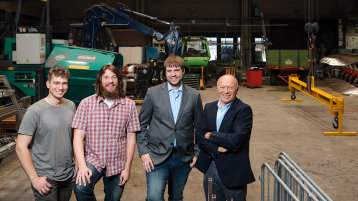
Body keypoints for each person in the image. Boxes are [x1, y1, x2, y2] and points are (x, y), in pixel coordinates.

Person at [137, 54, 203, 201]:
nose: (173, 74)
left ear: (183, 71)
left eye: (176, 70)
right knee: (154, 197)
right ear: (165, 72)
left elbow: (199, 127)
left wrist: (197, 153)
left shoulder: (194, 96)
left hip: (183, 157)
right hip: (156, 156)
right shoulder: (153, 93)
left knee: (176, 197)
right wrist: (144, 152)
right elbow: (141, 125)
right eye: (169, 71)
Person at [71, 64, 140, 201]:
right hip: (94, 159)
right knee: (80, 187)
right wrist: (82, 166)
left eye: (114, 77)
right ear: (100, 81)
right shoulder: (86, 104)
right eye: (106, 77)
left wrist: (127, 168)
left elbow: (131, 139)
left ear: (119, 81)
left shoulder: (129, 105)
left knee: (113, 198)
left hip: (118, 162)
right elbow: (77, 137)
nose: (110, 80)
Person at [16, 65, 76, 201]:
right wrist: (34, 178)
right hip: (46, 178)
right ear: (48, 84)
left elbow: (74, 139)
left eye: (64, 83)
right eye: (56, 83)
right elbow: (20, 147)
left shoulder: (71, 106)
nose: (60, 87)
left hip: (67, 175)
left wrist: (77, 165)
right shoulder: (34, 111)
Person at [195, 74, 255, 201]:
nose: (226, 91)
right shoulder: (209, 107)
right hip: (210, 167)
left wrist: (211, 134)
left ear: (237, 90)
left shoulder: (243, 110)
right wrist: (217, 149)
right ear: (217, 88)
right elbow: (199, 137)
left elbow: (235, 140)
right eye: (222, 87)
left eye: (230, 88)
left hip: (233, 171)